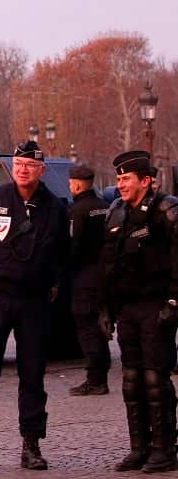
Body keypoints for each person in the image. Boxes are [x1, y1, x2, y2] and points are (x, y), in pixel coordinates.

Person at [0, 141, 69, 470]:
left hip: (33, 299)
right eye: (18, 163)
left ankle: (31, 445)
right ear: (11, 166)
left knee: (32, 373)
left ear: (41, 170)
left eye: (30, 165)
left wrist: (49, 279)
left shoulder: (54, 209)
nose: (23, 169)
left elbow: (64, 251)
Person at [98, 150, 178, 473]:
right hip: (127, 308)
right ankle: (139, 448)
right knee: (131, 380)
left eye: (126, 179)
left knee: (155, 379)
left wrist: (174, 301)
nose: (120, 185)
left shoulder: (166, 210)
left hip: (156, 305)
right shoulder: (116, 212)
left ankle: (165, 449)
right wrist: (104, 308)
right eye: (118, 179)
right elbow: (106, 265)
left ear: (145, 181)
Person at [67, 164, 112, 396]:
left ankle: (95, 379)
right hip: (104, 273)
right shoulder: (104, 207)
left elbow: (73, 246)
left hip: (84, 276)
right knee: (100, 324)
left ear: (75, 184)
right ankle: (101, 374)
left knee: (86, 326)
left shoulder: (77, 210)